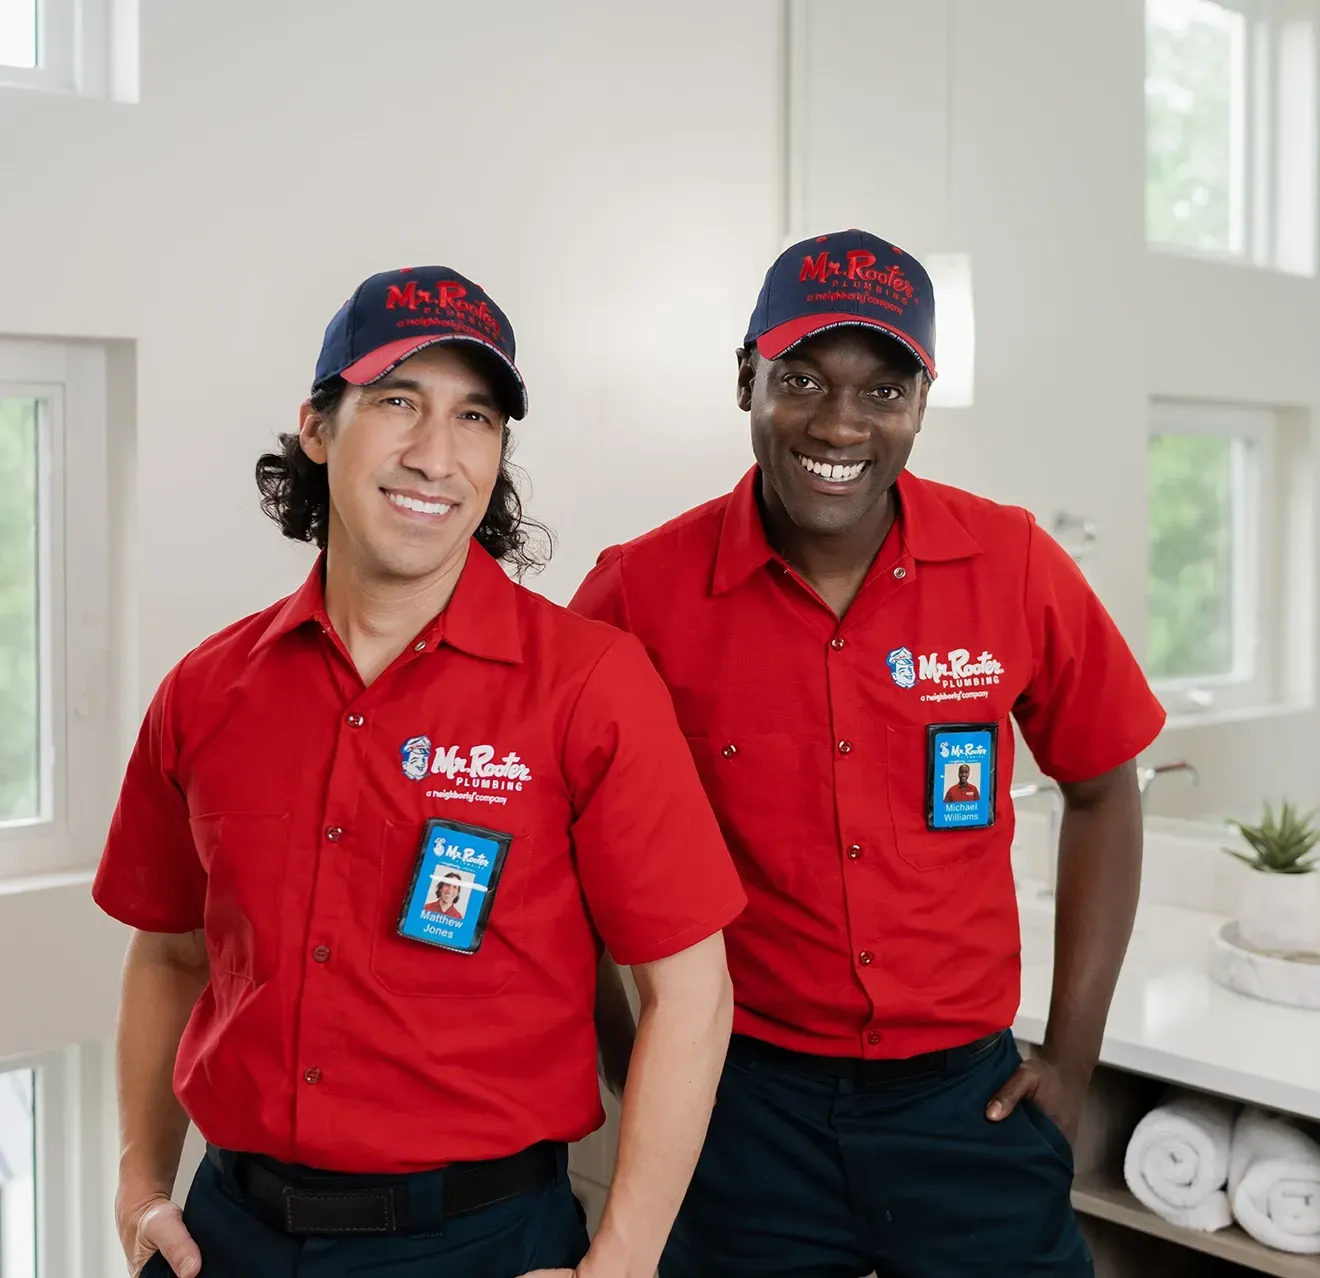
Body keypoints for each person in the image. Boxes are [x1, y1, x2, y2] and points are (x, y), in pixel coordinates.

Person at [93, 265, 746, 1278]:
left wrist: (622, 1262)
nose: (436, 456)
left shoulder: (590, 685)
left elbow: (691, 993)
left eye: (475, 417)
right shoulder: (206, 690)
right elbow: (172, 956)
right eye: (398, 401)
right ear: (318, 427)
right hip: (228, 1234)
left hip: (480, 1242)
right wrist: (140, 1184)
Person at [571, 229, 1165, 1277]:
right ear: (746, 379)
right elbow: (552, 850)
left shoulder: (1016, 564)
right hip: (742, 1107)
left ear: (921, 403)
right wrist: (637, 1063)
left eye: (884, 390)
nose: (841, 423)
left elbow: (1104, 790)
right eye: (801, 379)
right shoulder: (639, 592)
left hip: (971, 1105)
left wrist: (1073, 1061)